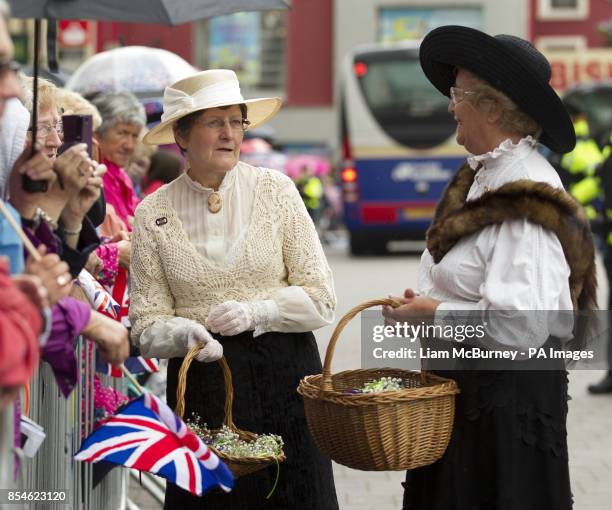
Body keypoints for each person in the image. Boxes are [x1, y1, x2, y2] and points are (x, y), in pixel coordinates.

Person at [381, 26, 596, 510]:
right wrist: (426, 307)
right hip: (472, 396)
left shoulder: (525, 192)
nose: (450, 105)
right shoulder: (485, 176)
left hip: (502, 407)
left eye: (458, 94)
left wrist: (434, 314)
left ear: (494, 108)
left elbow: (518, 326)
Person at [130, 69, 338, 509]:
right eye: (214, 122)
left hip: (287, 378)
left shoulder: (277, 190)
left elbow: (321, 298)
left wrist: (260, 312)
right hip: (205, 384)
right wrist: (186, 334)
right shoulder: (153, 212)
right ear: (182, 136)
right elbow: (145, 326)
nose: (229, 133)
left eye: (236, 121)